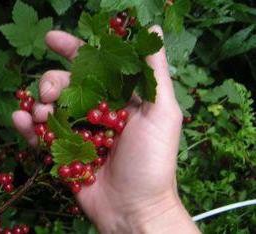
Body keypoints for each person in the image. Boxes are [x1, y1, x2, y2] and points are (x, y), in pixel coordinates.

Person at [12, 25, 201, 234]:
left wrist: (150, 208)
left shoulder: (108, 128)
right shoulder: (94, 136)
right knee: (46, 111)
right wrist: (150, 212)